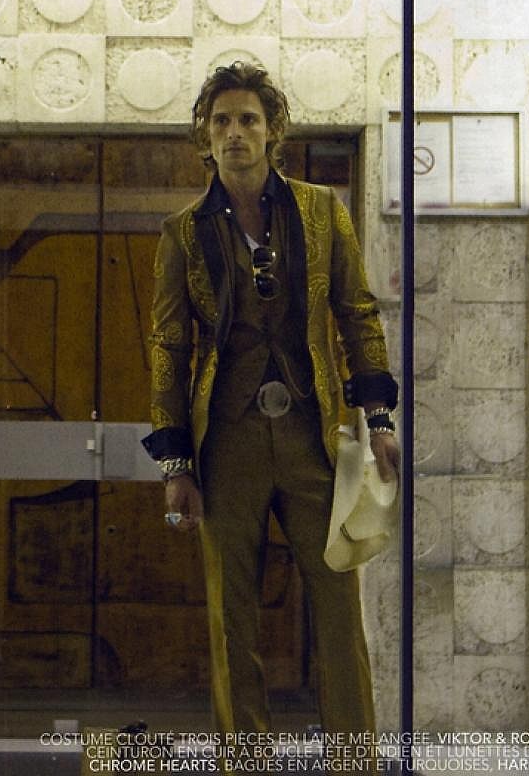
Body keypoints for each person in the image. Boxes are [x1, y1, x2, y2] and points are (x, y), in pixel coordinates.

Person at [145, 60, 400, 756]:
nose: (235, 132)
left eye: (248, 120)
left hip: (312, 437)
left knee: (339, 609)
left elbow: (356, 312)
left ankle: (354, 764)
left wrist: (379, 419)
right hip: (225, 442)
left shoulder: (320, 210)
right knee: (232, 619)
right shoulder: (182, 232)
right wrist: (174, 463)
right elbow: (168, 346)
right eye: (221, 121)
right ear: (205, 136)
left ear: (272, 131)